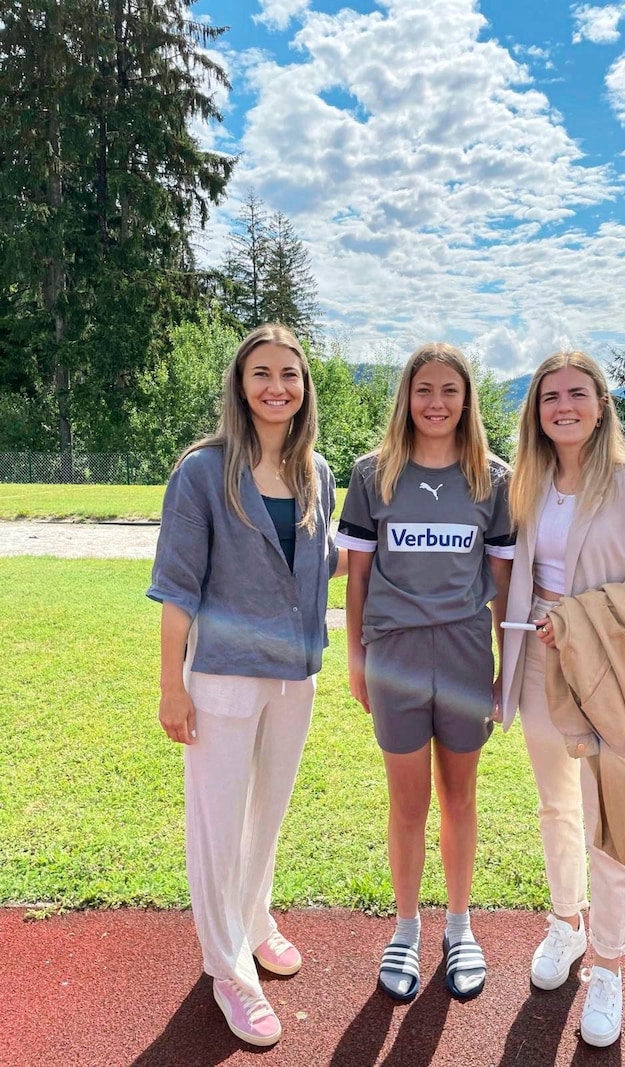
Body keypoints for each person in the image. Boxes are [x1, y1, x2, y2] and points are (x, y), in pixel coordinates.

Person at [147, 323, 345, 1047]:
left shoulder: (317, 472)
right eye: (261, 372)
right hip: (224, 676)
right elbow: (177, 588)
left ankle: (255, 919)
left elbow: (319, 568)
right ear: (239, 383)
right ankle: (226, 965)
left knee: (266, 816)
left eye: (289, 374)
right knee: (219, 826)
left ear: (304, 387)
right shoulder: (201, 471)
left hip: (294, 680)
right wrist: (173, 685)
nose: (276, 386)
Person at [501, 350, 625, 1048]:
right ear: (537, 411)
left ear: (602, 403)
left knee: (609, 823)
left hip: (607, 675)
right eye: (550, 396)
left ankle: (608, 965)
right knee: (556, 805)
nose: (563, 406)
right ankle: (565, 924)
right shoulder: (529, 481)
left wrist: (579, 622)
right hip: (536, 670)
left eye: (577, 393)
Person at [336, 342, 514, 1003]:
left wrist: (507, 669)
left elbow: (502, 583)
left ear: (467, 399)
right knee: (408, 802)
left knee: (460, 797)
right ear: (406, 397)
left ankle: (460, 926)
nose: (436, 402)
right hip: (395, 656)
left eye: (449, 390)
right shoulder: (372, 474)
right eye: (423, 389)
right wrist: (355, 656)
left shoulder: (493, 479)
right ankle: (407, 927)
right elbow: (355, 576)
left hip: (467, 655)